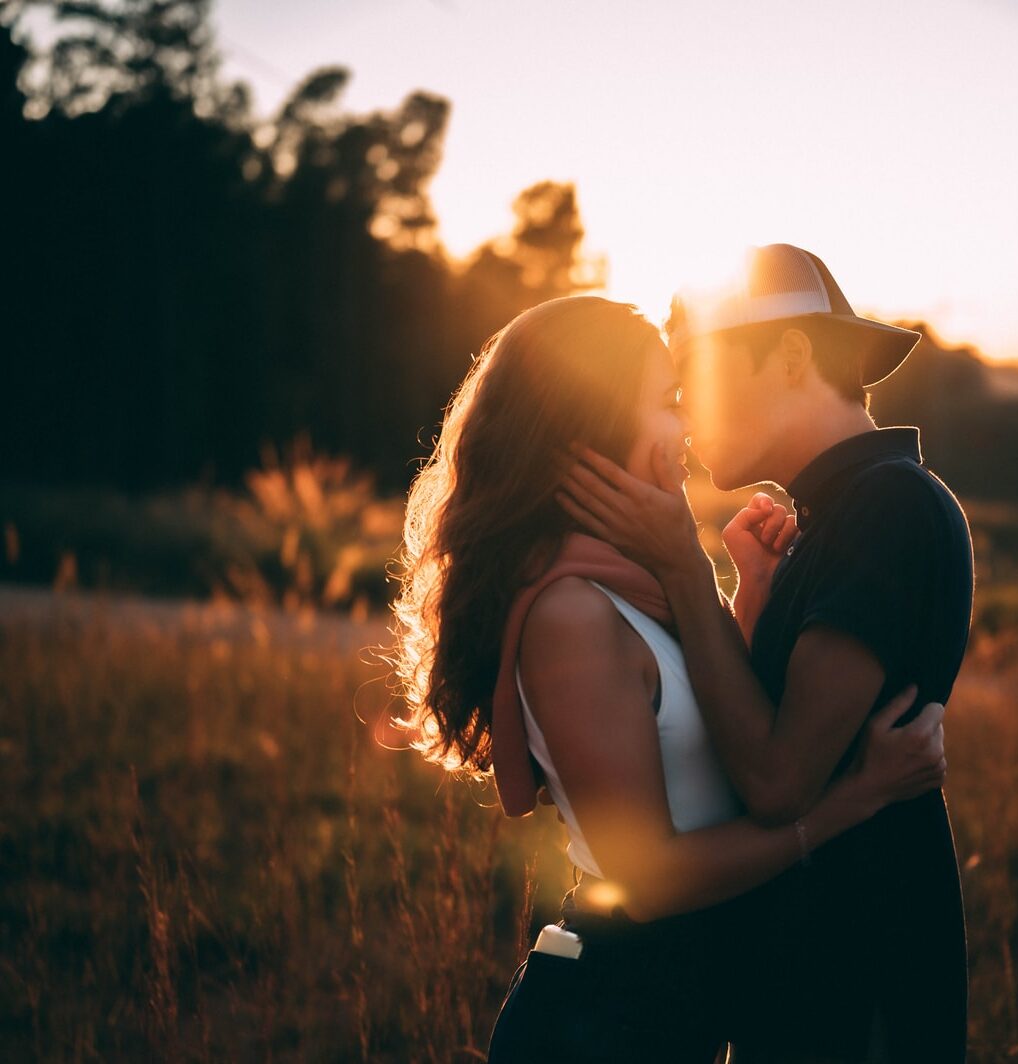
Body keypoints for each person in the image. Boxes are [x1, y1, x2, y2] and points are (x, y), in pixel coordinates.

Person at [387, 294, 950, 1063]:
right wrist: (855, 797)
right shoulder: (568, 614)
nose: (686, 426)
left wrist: (747, 597)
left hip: (669, 1015)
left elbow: (715, 736)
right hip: (602, 1019)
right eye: (666, 402)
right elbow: (648, 880)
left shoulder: (646, 588)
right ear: (593, 422)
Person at [558, 243, 976, 1063]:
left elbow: (779, 781)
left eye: (696, 381)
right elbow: (761, 737)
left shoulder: (886, 508)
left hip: (858, 998)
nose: (683, 417)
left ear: (789, 357)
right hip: (814, 979)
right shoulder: (836, 517)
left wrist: (683, 564)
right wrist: (747, 597)